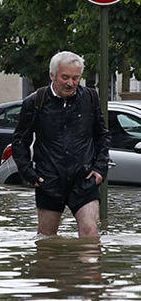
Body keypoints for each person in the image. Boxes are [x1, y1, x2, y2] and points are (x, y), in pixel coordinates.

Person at [12, 51, 109, 238]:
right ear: (52, 75)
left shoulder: (90, 98)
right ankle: (50, 268)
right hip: (49, 181)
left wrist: (99, 169)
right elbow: (19, 141)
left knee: (90, 231)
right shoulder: (35, 102)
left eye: (76, 78)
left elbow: (102, 136)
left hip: (84, 179)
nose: (71, 83)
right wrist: (29, 174)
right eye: (65, 77)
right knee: (46, 239)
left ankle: (90, 268)